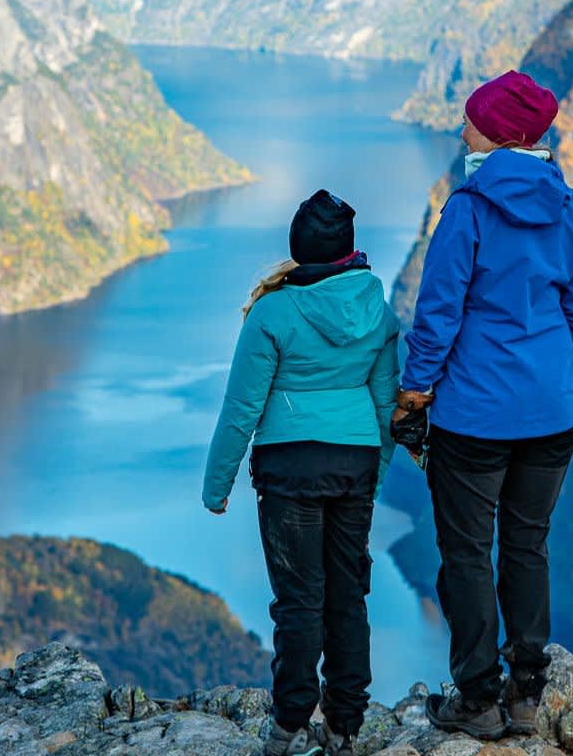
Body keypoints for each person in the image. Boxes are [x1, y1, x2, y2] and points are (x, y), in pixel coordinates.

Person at [398, 70, 573, 740]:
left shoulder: (469, 209)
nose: (461, 132)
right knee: (527, 544)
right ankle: (527, 692)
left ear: (502, 134)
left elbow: (439, 312)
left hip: (474, 416)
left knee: (464, 552)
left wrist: (414, 391)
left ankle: (477, 697)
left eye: (472, 123)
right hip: (550, 411)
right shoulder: (570, 207)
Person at [202, 190, 400, 756]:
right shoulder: (376, 311)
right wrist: (374, 475)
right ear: (348, 251)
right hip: (354, 465)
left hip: (290, 470)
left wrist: (218, 487)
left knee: (298, 601)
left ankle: (287, 724)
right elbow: (387, 407)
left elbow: (241, 408)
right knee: (347, 596)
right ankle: (344, 726)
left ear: (298, 248)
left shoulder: (271, 312)